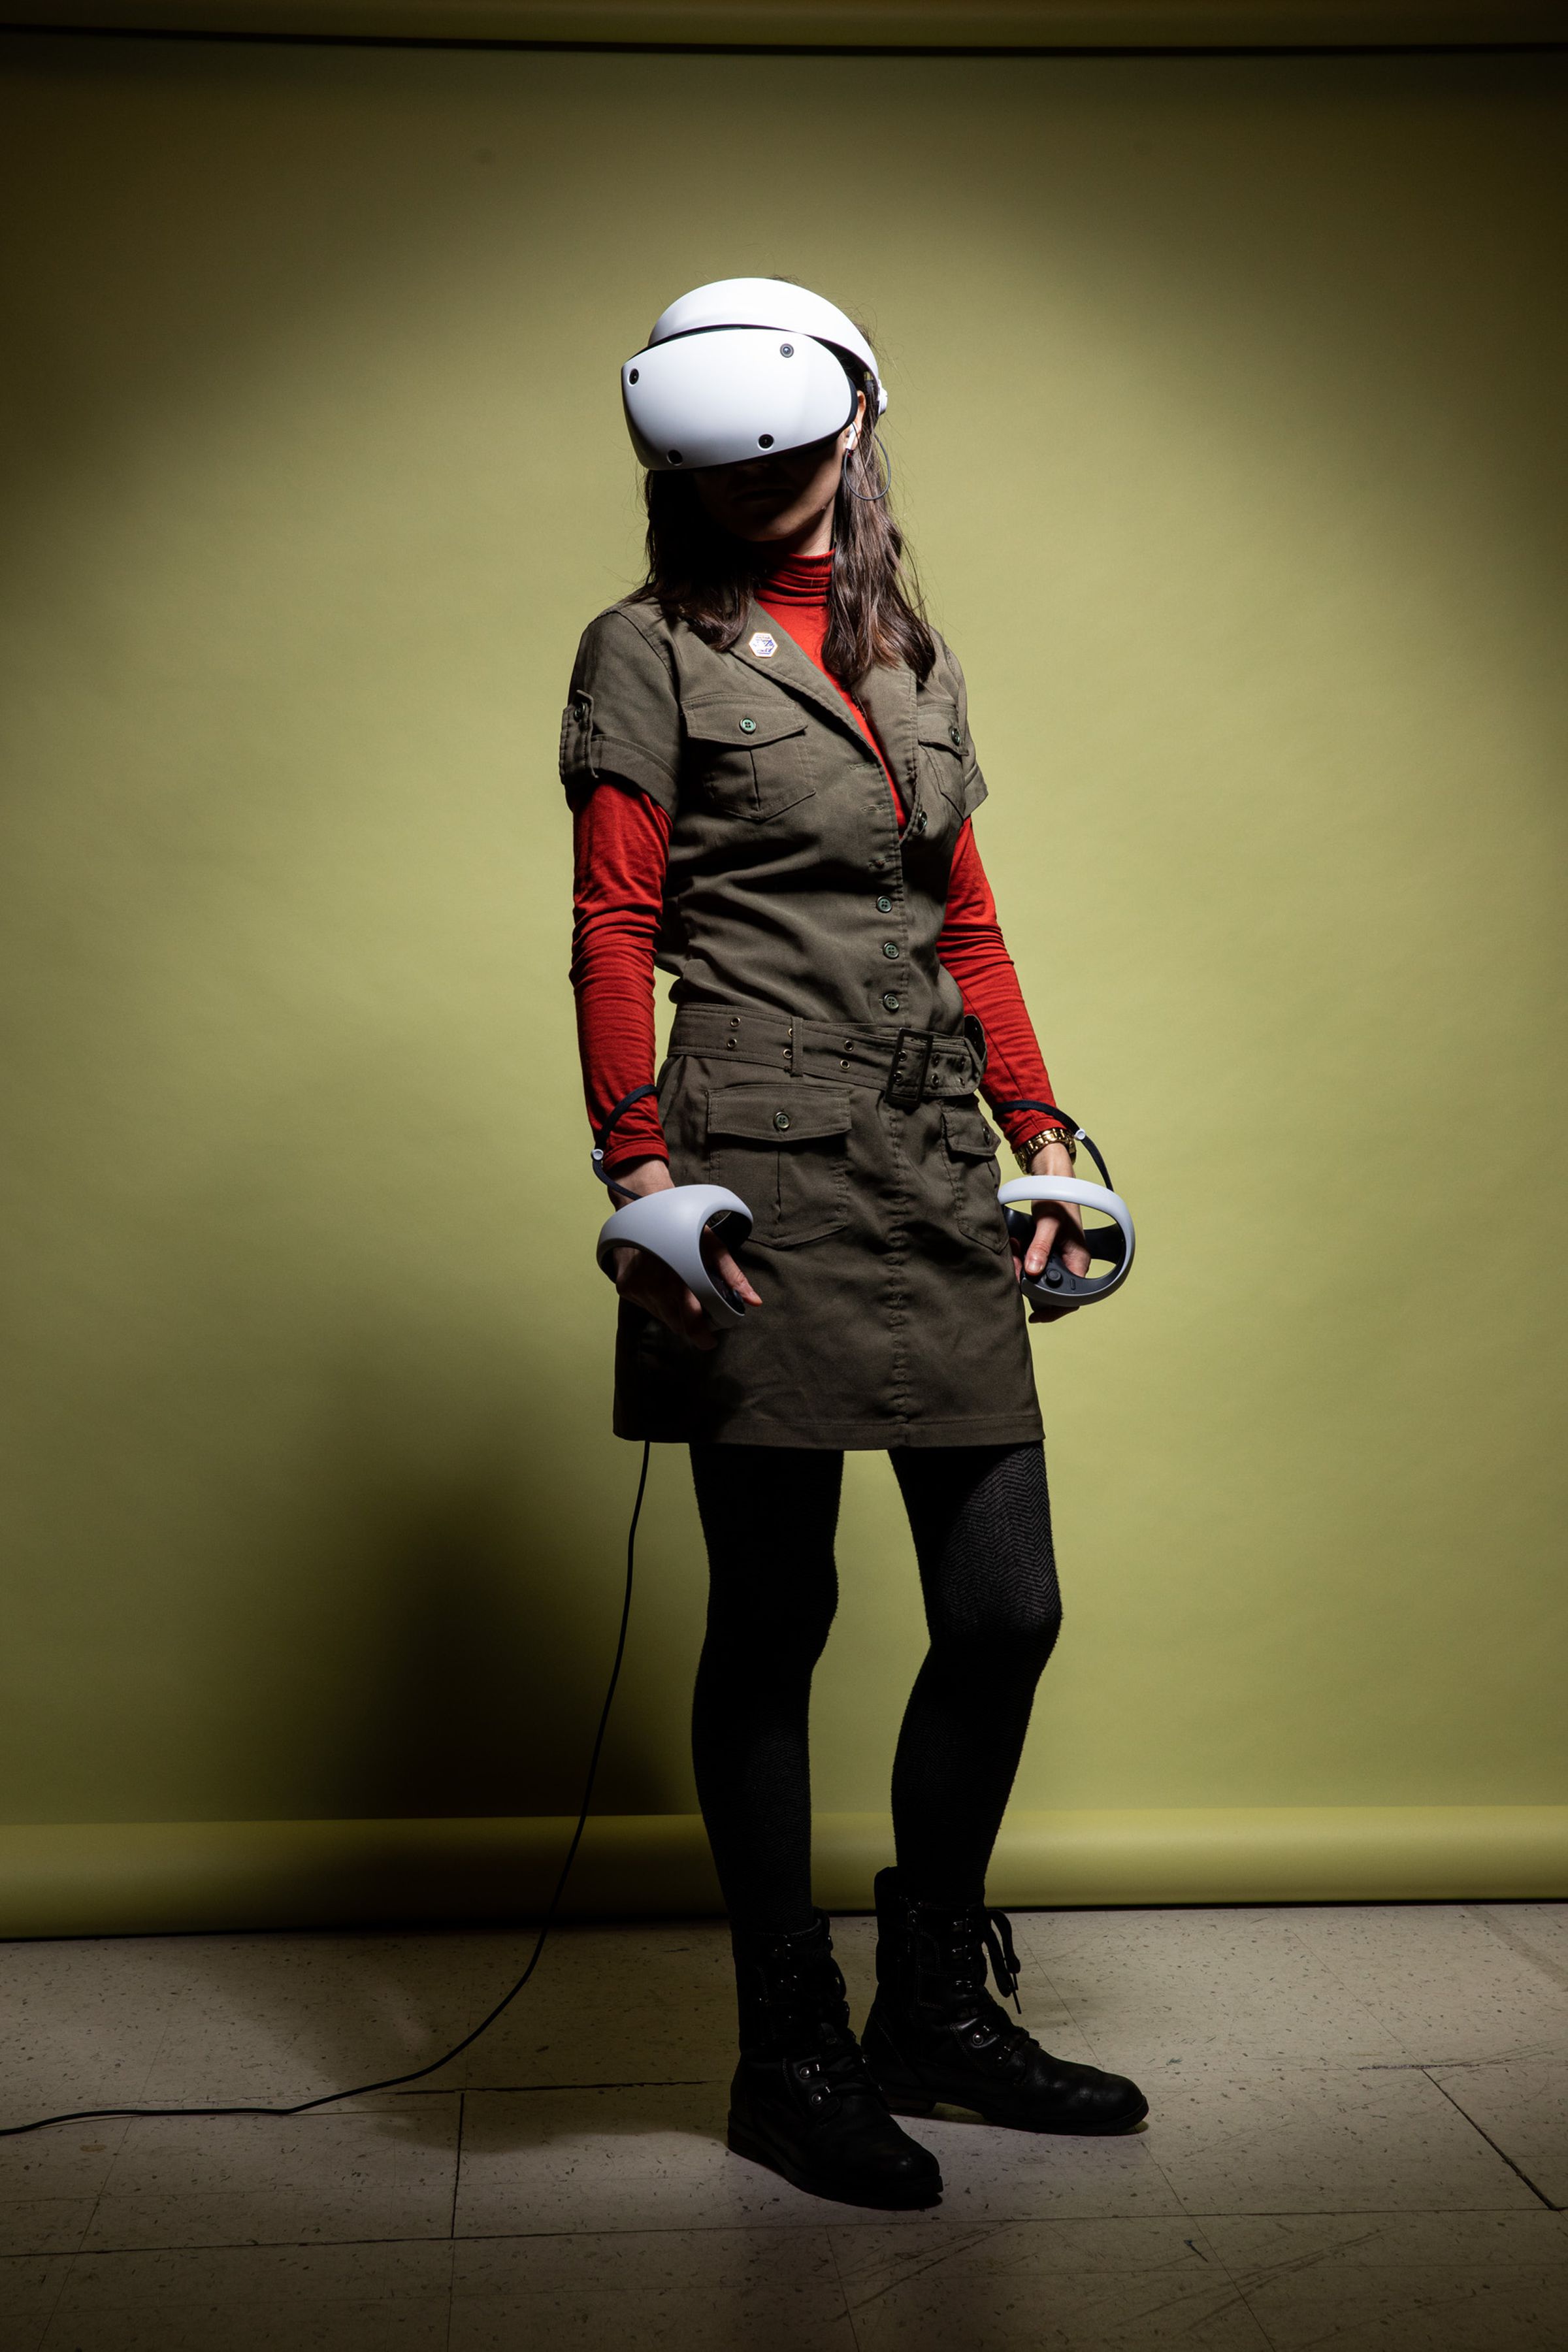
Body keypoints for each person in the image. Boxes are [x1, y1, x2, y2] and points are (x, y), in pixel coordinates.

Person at [562, 279, 1147, 2211]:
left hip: (920, 1154)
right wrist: (632, 1163)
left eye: (795, 457)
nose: (765, 490)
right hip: (755, 1163)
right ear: (676, 469)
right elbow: (615, 924)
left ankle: (929, 2010)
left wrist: (1043, 1132)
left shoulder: (913, 652)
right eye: (724, 469)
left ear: (855, 435)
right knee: (777, 1616)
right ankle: (787, 2050)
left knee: (1006, 1610)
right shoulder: (646, 649)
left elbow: (966, 923)